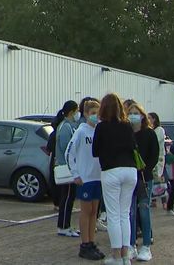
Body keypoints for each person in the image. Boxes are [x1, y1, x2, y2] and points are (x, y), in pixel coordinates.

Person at [92, 93, 137, 265]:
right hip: (130, 170)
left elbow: (95, 151)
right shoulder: (127, 126)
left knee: (113, 215)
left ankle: (116, 256)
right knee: (124, 214)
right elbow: (133, 146)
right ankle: (126, 255)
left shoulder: (101, 127)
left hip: (111, 170)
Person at [65, 99, 105, 261]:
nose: (95, 117)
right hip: (85, 178)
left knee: (94, 212)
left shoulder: (100, 132)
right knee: (86, 211)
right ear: (86, 114)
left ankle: (92, 241)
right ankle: (85, 244)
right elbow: (70, 152)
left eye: (98, 114)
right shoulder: (81, 131)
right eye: (93, 113)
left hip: (98, 177)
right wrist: (75, 173)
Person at [126, 103, 158, 262]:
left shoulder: (149, 134)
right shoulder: (126, 133)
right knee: (130, 212)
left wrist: (145, 171)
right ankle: (131, 245)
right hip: (129, 178)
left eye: (135, 113)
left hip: (145, 178)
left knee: (144, 210)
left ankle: (146, 245)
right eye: (130, 113)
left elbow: (154, 155)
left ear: (142, 115)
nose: (133, 115)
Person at [55, 100, 80, 237]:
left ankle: (67, 225)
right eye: (76, 111)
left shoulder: (68, 125)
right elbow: (67, 148)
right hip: (67, 167)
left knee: (69, 197)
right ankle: (63, 226)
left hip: (69, 166)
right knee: (67, 197)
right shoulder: (65, 127)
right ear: (71, 112)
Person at [149, 113, 166, 186]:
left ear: (154, 119)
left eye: (149, 118)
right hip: (151, 156)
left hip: (159, 157)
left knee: (156, 176)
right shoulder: (151, 129)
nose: (148, 119)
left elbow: (155, 141)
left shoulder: (159, 130)